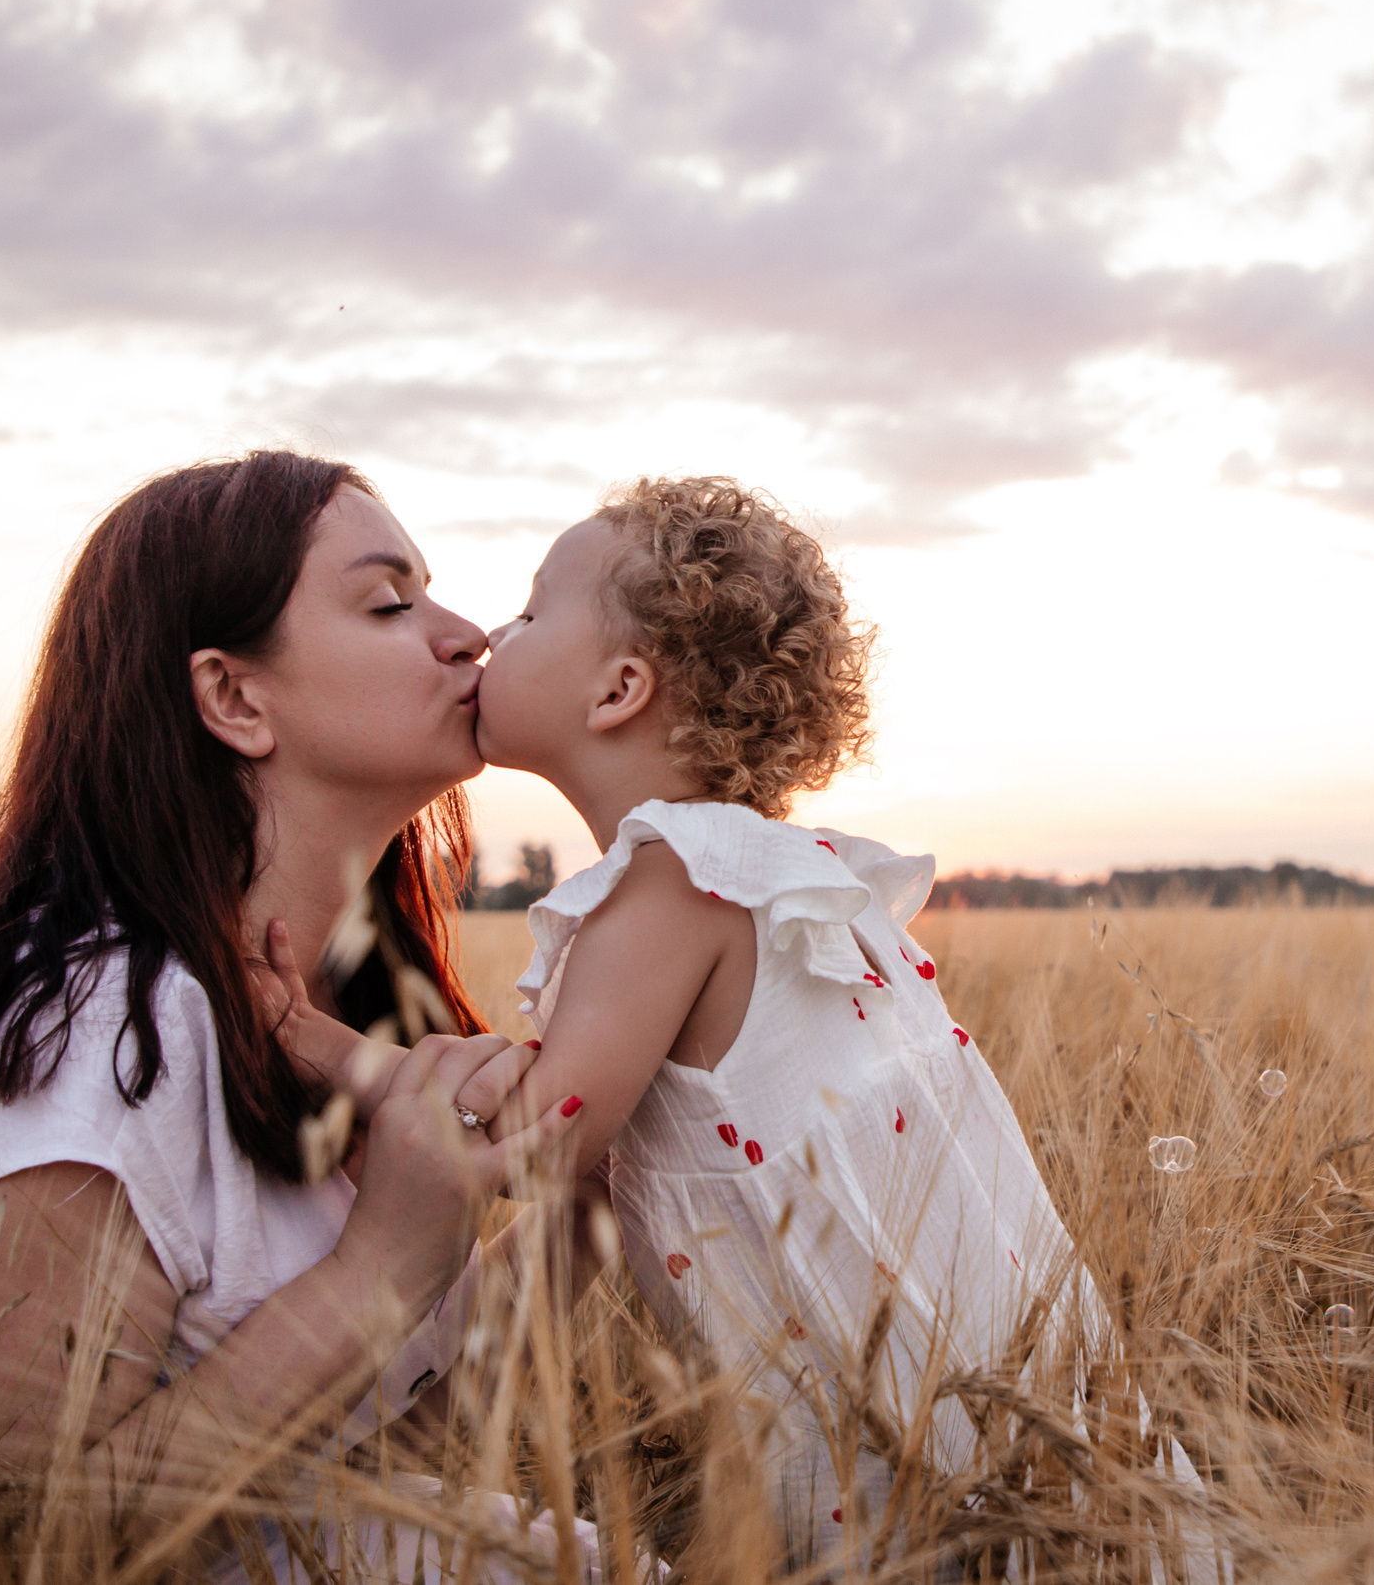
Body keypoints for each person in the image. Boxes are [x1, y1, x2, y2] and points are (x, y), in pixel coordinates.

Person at [0, 451, 587, 1581]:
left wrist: (579, 1214)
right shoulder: (81, 1017)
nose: (465, 633)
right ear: (234, 698)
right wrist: (379, 1266)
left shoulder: (333, 1008)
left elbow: (351, 1463)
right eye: (389, 602)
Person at [464, 476, 1211, 1567]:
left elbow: (546, 1140)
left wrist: (317, 1046)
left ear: (620, 688)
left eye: (529, 612)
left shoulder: (679, 884)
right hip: (940, 1398)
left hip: (862, 1434)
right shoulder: (790, 876)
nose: (493, 632)